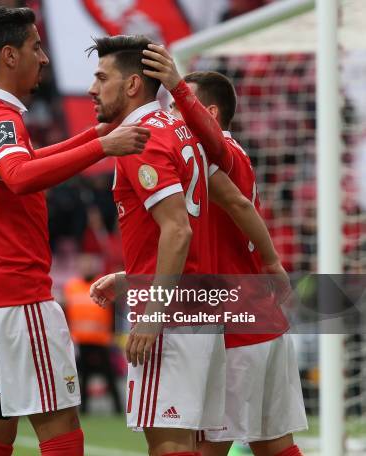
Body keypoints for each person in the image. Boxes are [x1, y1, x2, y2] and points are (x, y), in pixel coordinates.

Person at [0, 7, 151, 456]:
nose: (43, 57)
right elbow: (20, 175)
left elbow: (25, 163)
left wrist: (94, 135)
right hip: (15, 300)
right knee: (62, 431)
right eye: (35, 47)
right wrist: (102, 147)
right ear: (9, 55)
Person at [87, 37, 285, 456]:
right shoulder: (186, 135)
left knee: (172, 447)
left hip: (175, 314)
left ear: (133, 84)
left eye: (102, 77)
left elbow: (178, 231)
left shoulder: (141, 140)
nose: (92, 88)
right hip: (209, 314)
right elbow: (229, 203)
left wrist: (151, 315)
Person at [174, 71, 307, 456]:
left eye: (181, 105)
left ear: (209, 114)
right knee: (275, 446)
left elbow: (238, 205)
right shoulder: (236, 157)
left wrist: (272, 261)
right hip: (262, 322)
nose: (172, 115)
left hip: (234, 327)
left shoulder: (217, 156)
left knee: (206, 449)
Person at [64, 253, 122, 415]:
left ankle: (118, 410)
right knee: (83, 377)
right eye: (84, 264)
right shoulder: (71, 286)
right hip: (80, 340)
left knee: (109, 375)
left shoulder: (102, 284)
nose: (86, 268)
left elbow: (113, 310)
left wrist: (113, 334)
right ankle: (83, 410)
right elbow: (66, 311)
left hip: (101, 340)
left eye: (89, 265)